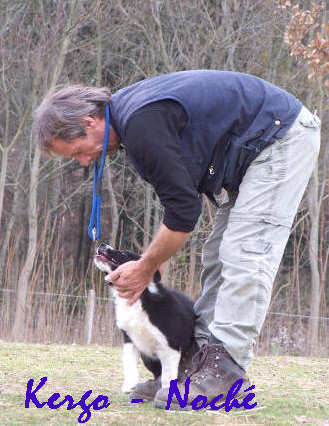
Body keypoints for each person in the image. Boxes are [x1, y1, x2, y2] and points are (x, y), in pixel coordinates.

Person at [34, 70, 321, 408]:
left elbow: (184, 212)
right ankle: (198, 360)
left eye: (78, 150)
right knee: (218, 254)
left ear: (89, 122)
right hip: (256, 146)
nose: (84, 160)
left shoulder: (140, 124)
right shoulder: (131, 117)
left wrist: (146, 268)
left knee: (245, 252)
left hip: (280, 137)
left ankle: (225, 371)